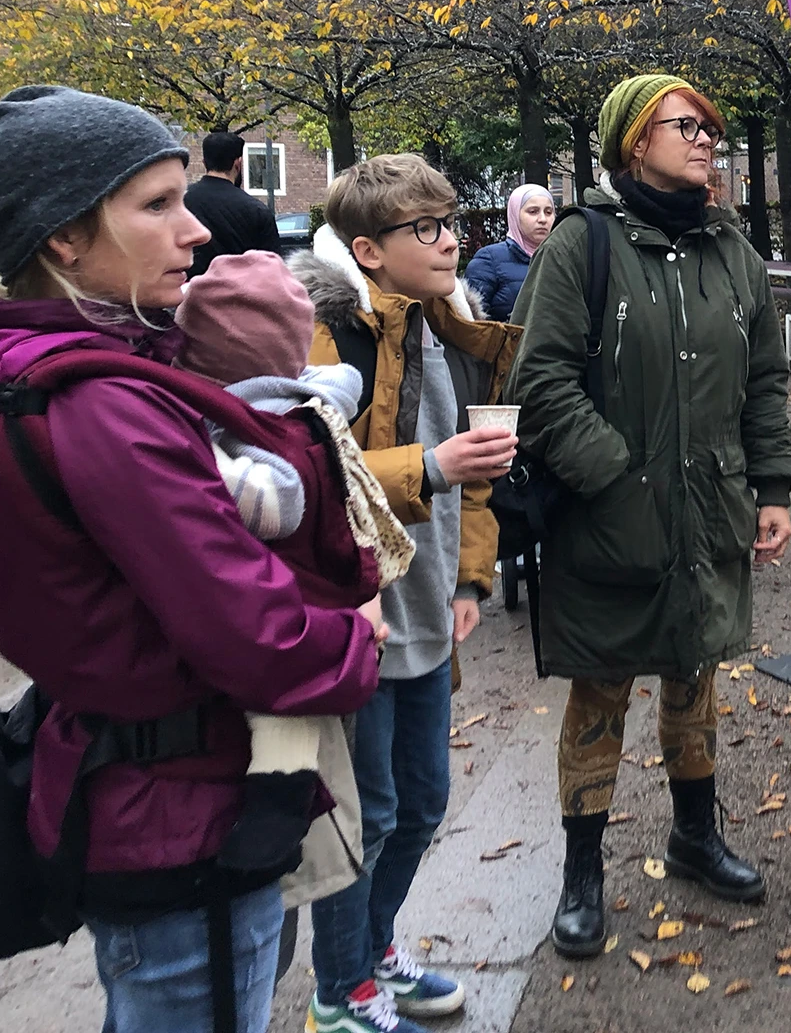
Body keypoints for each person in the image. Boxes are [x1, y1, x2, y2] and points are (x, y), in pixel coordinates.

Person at [0, 85, 383, 1033]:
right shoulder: (110, 411)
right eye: (156, 205)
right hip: (178, 823)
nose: (195, 231)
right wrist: (357, 635)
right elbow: (258, 638)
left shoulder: (57, 379)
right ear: (64, 239)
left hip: (137, 797)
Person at [508, 74, 791, 963]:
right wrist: (616, 477)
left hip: (708, 511)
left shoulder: (733, 251)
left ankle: (694, 838)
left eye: (711, 125)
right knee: (601, 687)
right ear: (635, 141)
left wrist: (776, 488)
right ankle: (582, 875)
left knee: (694, 676)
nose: (707, 138)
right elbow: (541, 381)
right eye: (688, 125)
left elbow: (764, 382)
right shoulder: (581, 245)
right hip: (609, 516)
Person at [287, 155, 522, 1033]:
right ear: (368, 250)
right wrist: (428, 466)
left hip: (428, 603)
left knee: (421, 801)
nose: (452, 238)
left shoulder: (452, 325)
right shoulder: (325, 329)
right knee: (367, 814)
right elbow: (307, 473)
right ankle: (338, 992)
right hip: (359, 611)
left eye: (453, 220)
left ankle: (373, 949)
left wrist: (471, 574)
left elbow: (478, 477)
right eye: (426, 227)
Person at [172, 250, 417, 875]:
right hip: (319, 595)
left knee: (283, 715)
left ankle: (277, 805)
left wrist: (197, 466)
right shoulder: (314, 400)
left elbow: (278, 500)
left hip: (304, 602)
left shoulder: (282, 420)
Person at [184, 131, 282, 278]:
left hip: (188, 295)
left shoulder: (181, 201)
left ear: (204, 163)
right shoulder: (257, 210)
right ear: (238, 163)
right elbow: (273, 271)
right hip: (241, 297)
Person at [465, 184, 555, 322]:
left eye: (548, 212)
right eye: (533, 211)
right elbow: (473, 325)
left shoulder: (561, 259)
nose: (542, 219)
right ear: (514, 215)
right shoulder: (489, 260)